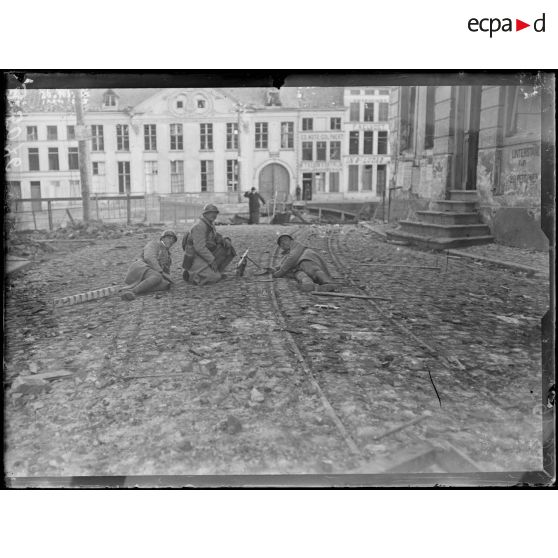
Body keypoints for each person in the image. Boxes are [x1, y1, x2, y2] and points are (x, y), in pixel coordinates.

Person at [182, 204, 236, 285]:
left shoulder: (209, 224)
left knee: (228, 248)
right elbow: (199, 248)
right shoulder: (199, 226)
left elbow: (215, 236)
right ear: (205, 214)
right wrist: (212, 260)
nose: (213, 215)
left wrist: (225, 239)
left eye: (215, 213)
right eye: (210, 212)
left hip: (204, 253)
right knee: (215, 277)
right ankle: (191, 275)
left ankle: (217, 271)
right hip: (195, 256)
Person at [121, 230, 177, 301]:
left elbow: (166, 271)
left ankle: (139, 287)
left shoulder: (167, 255)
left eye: (173, 240)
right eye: (169, 238)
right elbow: (149, 258)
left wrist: (168, 279)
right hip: (141, 268)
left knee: (166, 284)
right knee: (157, 276)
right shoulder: (154, 244)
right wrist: (161, 272)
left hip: (151, 273)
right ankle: (131, 291)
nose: (171, 241)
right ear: (163, 238)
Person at [271, 234, 337, 292]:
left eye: (282, 246)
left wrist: (278, 274)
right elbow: (285, 261)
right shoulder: (292, 249)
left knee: (314, 271)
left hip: (306, 258)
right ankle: (309, 284)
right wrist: (275, 268)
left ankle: (328, 282)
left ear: (284, 242)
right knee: (302, 274)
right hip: (301, 264)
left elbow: (290, 260)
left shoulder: (296, 246)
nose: (283, 248)